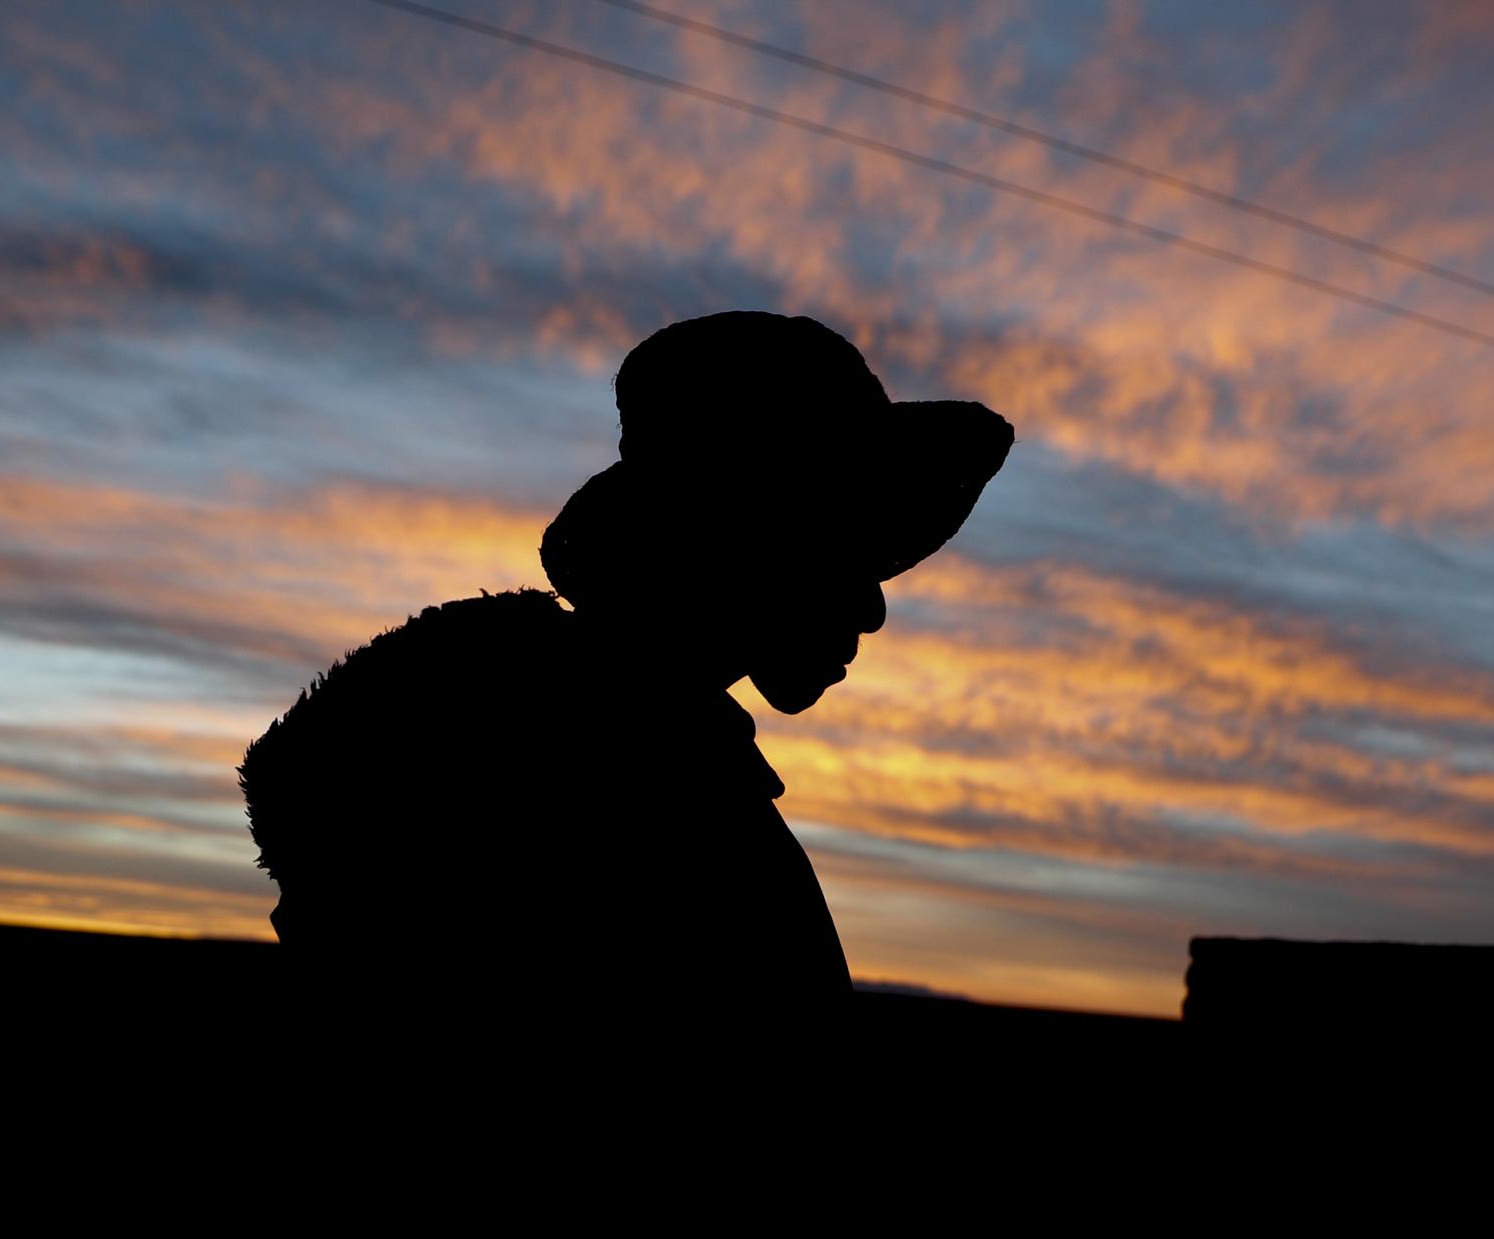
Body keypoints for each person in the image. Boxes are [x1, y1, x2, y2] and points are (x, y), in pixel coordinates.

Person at [239, 311, 1011, 1053]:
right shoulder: (639, 810)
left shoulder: (560, 769)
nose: (872, 607)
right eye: (846, 547)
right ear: (747, 535)